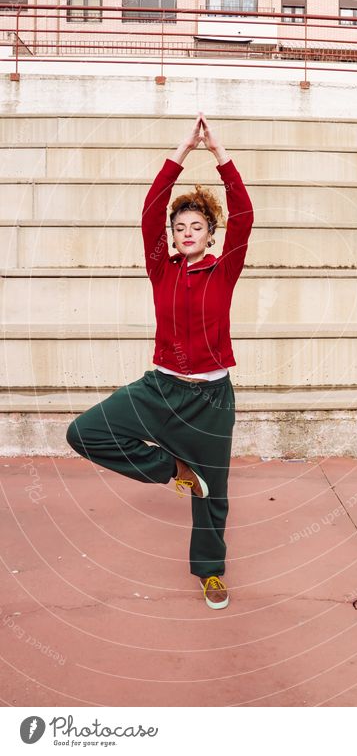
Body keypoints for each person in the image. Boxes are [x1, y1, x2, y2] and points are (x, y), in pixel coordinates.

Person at [66, 112, 254, 610]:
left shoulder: (224, 269)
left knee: (213, 495)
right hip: (161, 389)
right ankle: (171, 468)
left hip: (212, 399)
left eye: (196, 226)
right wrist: (181, 150)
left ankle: (210, 571)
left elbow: (246, 216)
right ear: (172, 236)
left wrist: (220, 155)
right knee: (83, 432)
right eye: (180, 227)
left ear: (211, 234)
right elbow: (150, 209)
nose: (186, 232)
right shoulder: (161, 270)